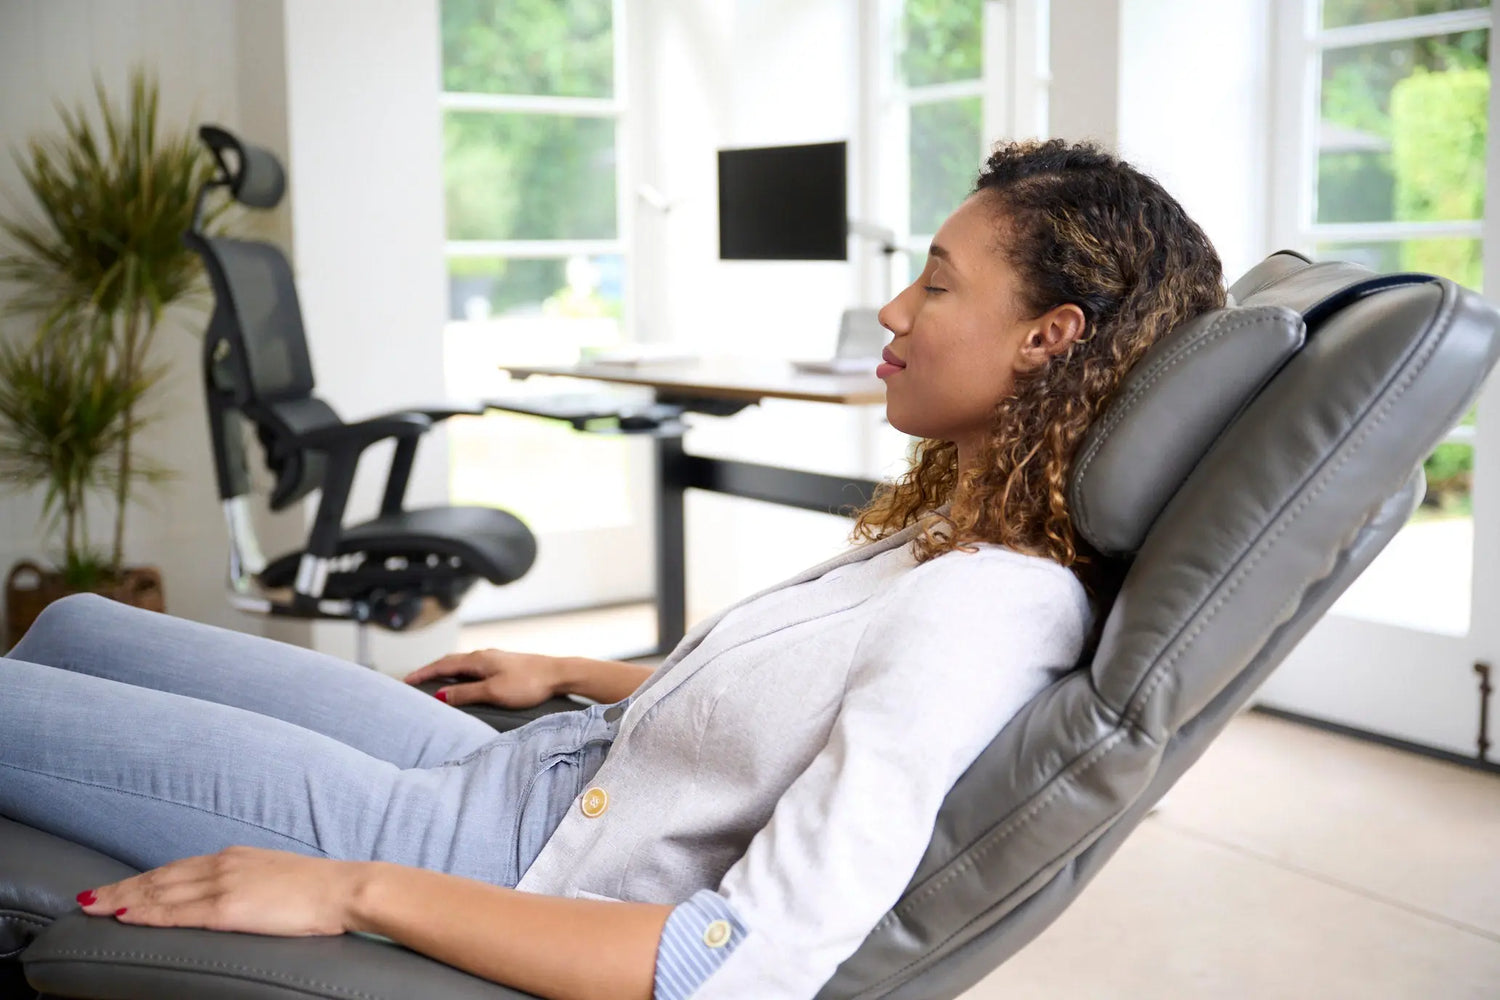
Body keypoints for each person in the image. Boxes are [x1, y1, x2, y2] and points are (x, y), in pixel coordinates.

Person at [0, 139, 1224, 1000]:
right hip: (535, 771)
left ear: (1048, 338)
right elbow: (802, 714)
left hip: (480, 850)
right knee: (77, 630)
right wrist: (581, 669)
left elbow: (739, 965)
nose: (895, 309)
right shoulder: (964, 526)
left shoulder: (986, 609)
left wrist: (353, 892)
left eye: (938, 284)